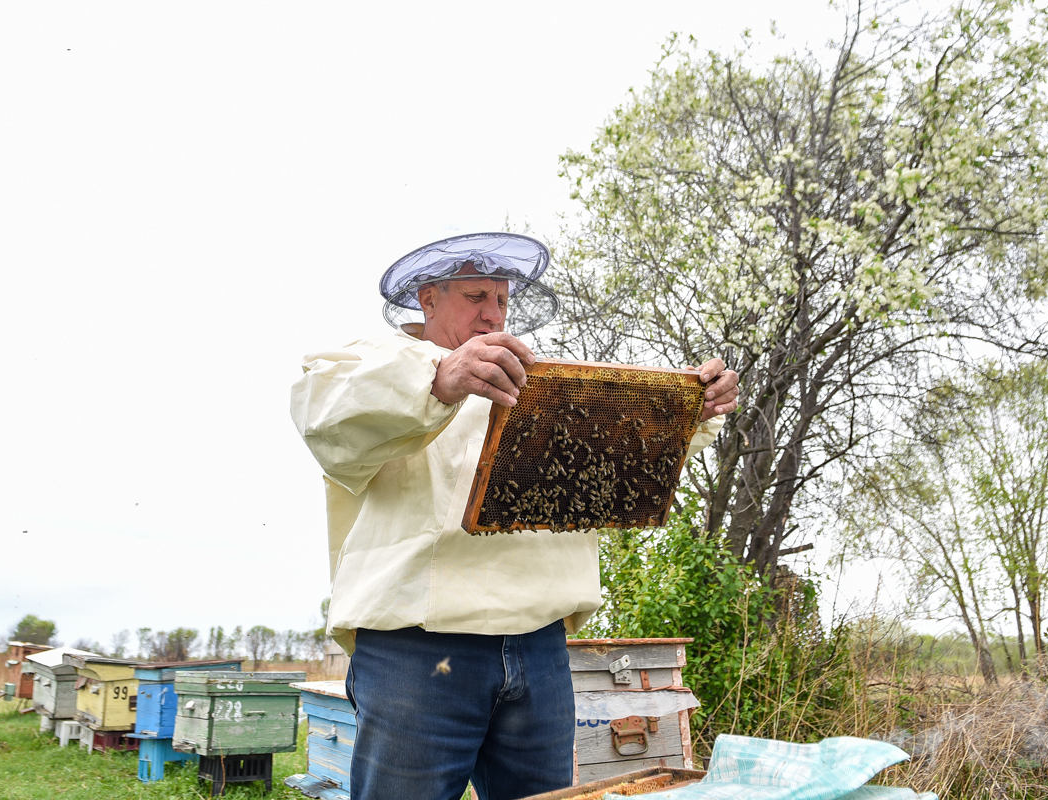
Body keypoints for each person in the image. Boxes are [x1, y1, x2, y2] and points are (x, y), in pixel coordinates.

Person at [290, 232, 739, 800]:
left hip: (540, 647)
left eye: (501, 300)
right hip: (422, 652)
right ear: (427, 299)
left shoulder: (537, 382)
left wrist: (691, 410)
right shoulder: (378, 363)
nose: (493, 313)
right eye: (477, 296)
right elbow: (322, 415)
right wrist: (439, 380)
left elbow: (625, 455)